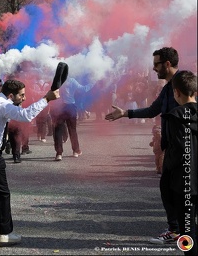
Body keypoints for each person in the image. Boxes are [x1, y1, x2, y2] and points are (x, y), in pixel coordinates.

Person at [0, 79, 60, 252]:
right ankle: (5, 233)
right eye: (21, 95)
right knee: (2, 192)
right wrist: (46, 98)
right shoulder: (3, 104)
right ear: (10, 95)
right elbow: (25, 115)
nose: (24, 98)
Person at [105, 47, 181, 244]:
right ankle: (176, 230)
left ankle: (180, 233)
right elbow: (153, 110)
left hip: (185, 148)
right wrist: (125, 113)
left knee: (182, 192)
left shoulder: (185, 83)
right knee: (168, 189)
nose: (153, 68)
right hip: (172, 148)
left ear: (167, 64)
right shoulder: (167, 87)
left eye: (156, 64)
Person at [162, 70, 197, 256]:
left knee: (187, 232)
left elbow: (178, 151)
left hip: (184, 184)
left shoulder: (175, 116)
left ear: (176, 92)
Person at [50, 77, 94, 161]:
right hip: (70, 106)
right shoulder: (71, 80)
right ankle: (75, 151)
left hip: (58, 107)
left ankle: (59, 153)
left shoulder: (55, 80)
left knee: (58, 131)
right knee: (72, 130)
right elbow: (83, 89)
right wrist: (93, 82)